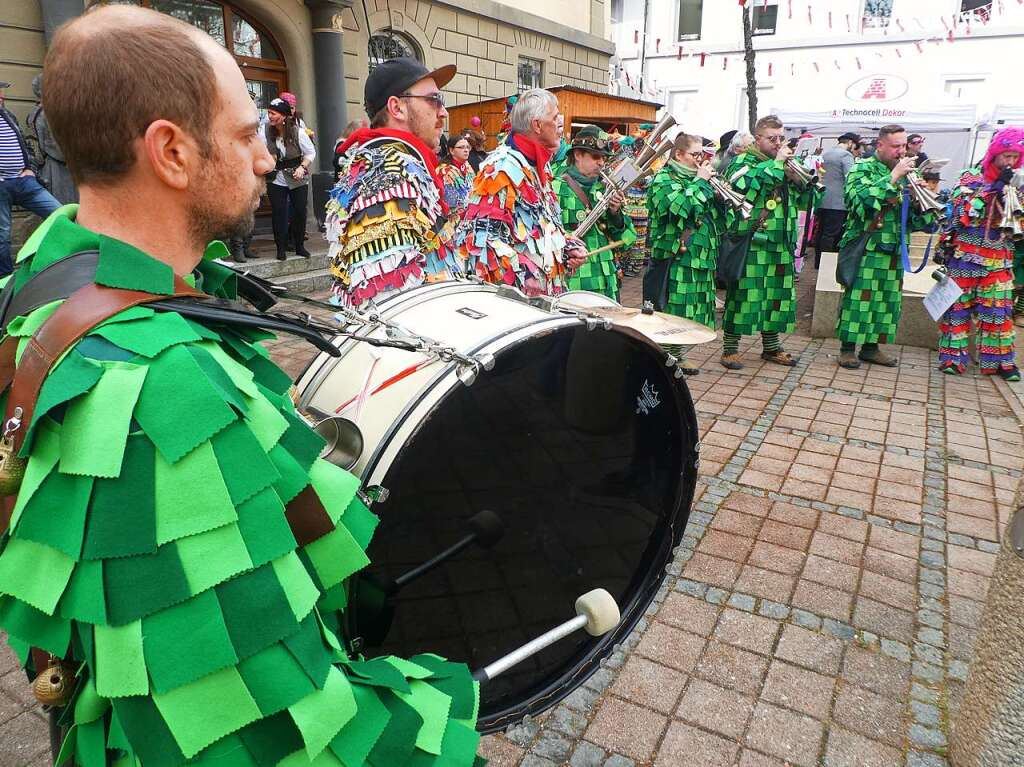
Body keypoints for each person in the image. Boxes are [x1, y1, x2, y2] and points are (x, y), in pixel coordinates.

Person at [0, 6, 481, 767]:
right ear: (172, 152)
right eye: (246, 133)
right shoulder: (167, 390)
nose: (266, 159)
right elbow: (264, 735)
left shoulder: (49, 272)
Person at [327, 57, 461, 308]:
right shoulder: (388, 171)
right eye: (433, 100)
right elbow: (391, 302)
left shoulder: (392, 160)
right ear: (397, 108)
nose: (443, 111)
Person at [457, 88, 586, 296]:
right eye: (554, 119)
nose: (560, 128)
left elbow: (536, 230)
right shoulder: (500, 169)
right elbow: (479, 243)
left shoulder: (540, 167)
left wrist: (564, 246)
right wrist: (527, 273)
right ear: (537, 125)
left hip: (545, 303)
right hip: (516, 308)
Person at [836, 124, 937, 369]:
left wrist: (919, 201)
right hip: (868, 245)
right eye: (896, 146)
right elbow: (860, 202)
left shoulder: (906, 175)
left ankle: (871, 348)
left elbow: (916, 222)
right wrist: (893, 178)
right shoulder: (862, 168)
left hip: (894, 247)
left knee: (887, 301)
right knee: (859, 298)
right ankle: (847, 348)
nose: (901, 151)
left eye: (904, 146)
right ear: (880, 145)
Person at [720, 115, 813, 370]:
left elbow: (803, 199)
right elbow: (742, 185)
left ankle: (771, 347)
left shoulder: (783, 164)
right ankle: (730, 348)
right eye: (772, 138)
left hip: (780, 242)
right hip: (753, 242)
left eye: (781, 138)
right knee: (744, 295)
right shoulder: (742, 162)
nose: (778, 143)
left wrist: (800, 182)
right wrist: (777, 166)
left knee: (777, 295)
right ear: (757, 138)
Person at [936, 127, 1024, 379]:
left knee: (998, 313)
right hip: (964, 257)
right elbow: (958, 213)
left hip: (999, 259)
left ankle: (1000, 362)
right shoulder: (971, 176)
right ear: (994, 153)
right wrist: (992, 189)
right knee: (956, 310)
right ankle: (953, 359)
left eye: (1015, 157)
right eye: (1006, 155)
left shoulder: (1018, 182)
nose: (1010, 162)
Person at [646, 132, 725, 375]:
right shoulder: (663, 179)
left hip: (698, 257)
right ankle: (663, 356)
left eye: (702, 154)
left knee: (688, 307)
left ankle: (676, 355)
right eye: (695, 154)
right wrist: (701, 183)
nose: (700, 159)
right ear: (679, 154)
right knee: (671, 307)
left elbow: (717, 221)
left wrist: (721, 197)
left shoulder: (699, 180)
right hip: (675, 256)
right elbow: (678, 209)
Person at [551, 125, 636, 300]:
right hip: (575, 283)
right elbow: (548, 238)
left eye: (604, 158)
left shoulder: (605, 187)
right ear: (577, 155)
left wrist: (615, 213)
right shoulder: (556, 188)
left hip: (607, 282)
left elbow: (627, 240)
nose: (601, 163)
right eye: (596, 156)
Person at [0, 79, 60, 277]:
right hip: (2, 186)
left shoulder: (7, 115)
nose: (2, 96)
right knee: (2, 236)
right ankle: (5, 280)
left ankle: (55, 262)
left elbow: (25, 145)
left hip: (24, 181)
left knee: (59, 214)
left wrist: (29, 168)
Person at [264, 97, 314, 260]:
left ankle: (299, 246)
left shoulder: (298, 132)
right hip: (276, 176)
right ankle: (281, 248)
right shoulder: (266, 131)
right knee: (279, 212)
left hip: (296, 175)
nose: (270, 116)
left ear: (284, 116)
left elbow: (310, 153)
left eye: (274, 113)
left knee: (299, 211)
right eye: (269, 113)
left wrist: (302, 167)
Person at [26, 73, 77, 205]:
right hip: (57, 169)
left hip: (60, 168)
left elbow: (38, 148)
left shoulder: (46, 113)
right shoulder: (45, 113)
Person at [815, 132, 861, 262]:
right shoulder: (846, 155)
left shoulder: (826, 154)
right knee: (832, 234)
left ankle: (819, 262)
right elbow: (850, 177)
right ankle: (828, 263)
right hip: (838, 203)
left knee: (821, 232)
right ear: (851, 143)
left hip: (823, 199)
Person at [437, 133, 475, 212]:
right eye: (461, 147)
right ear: (451, 150)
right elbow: (449, 202)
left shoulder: (468, 167)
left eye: (468, 147)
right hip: (451, 216)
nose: (466, 150)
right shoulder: (444, 171)